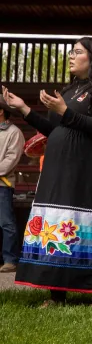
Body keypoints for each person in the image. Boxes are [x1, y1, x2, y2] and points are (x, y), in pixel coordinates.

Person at [3, 37, 92, 307]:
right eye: (71, 52)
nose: (71, 56)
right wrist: (24, 109)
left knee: (90, 227)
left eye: (77, 52)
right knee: (59, 225)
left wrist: (64, 110)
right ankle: (56, 293)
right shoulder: (72, 89)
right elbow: (56, 129)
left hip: (90, 173)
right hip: (60, 171)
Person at [0, 106, 24, 273]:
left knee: (6, 222)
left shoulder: (14, 132)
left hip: (2, 184)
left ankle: (10, 259)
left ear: (1, 111)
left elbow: (11, 159)